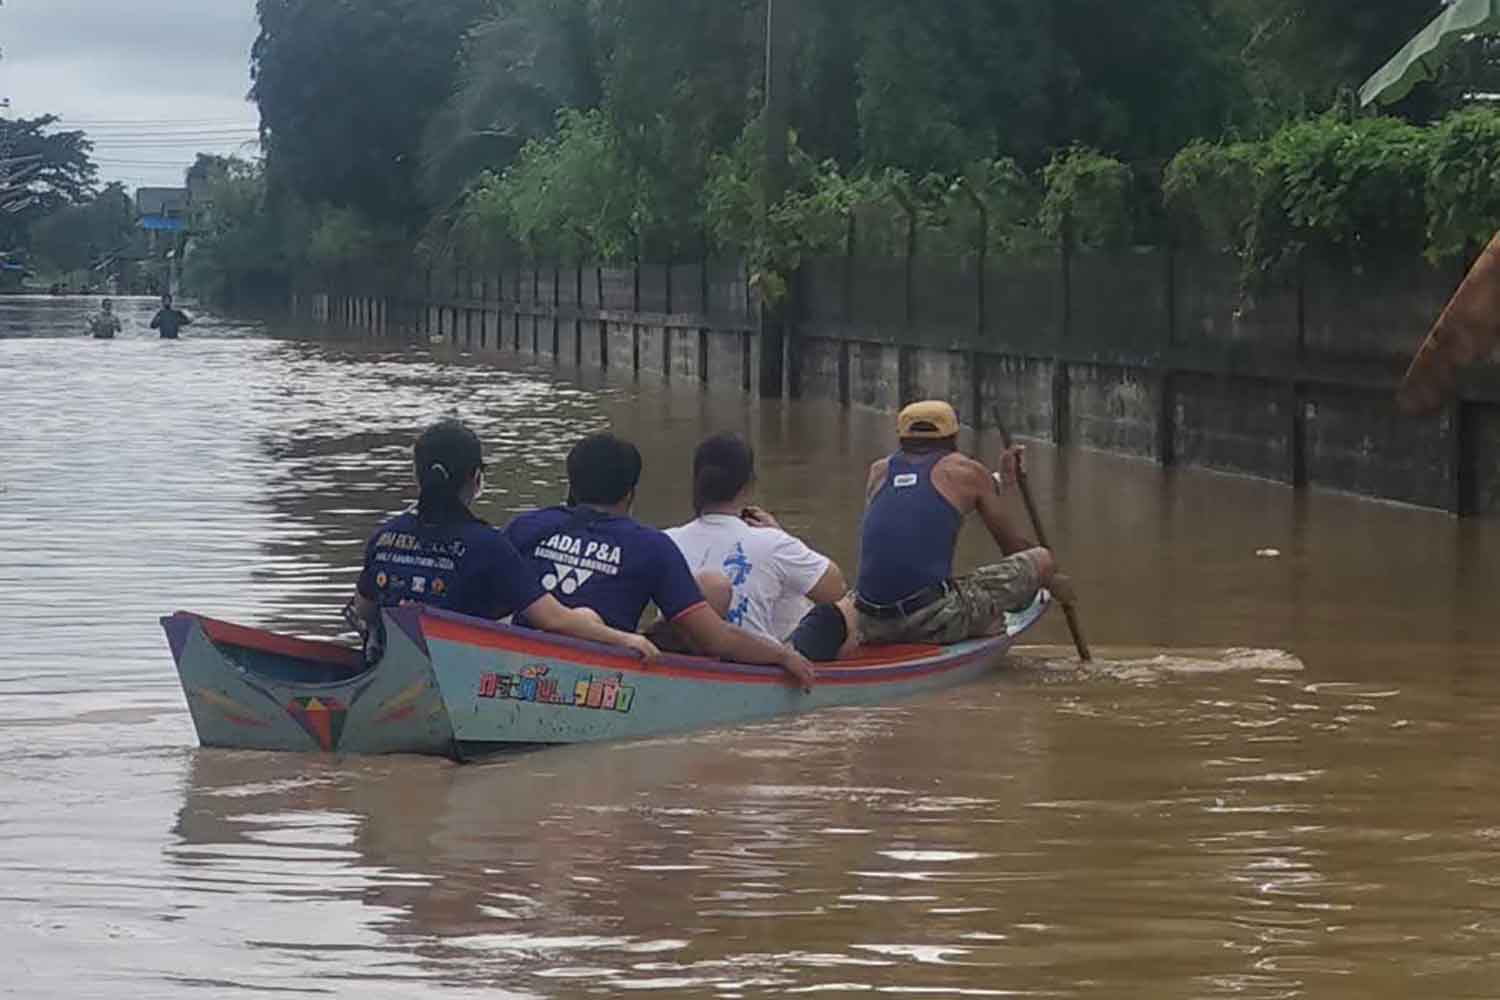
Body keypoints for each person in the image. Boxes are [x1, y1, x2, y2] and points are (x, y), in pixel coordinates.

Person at [505, 433, 818, 690]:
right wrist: (782, 655)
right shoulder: (651, 546)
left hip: (517, 661)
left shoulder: (528, 526)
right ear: (630, 494)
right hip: (599, 680)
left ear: (571, 486)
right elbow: (717, 638)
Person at [346, 419, 659, 662]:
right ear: (476, 478)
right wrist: (627, 640)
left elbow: (363, 610)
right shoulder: (488, 545)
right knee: (584, 618)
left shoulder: (383, 537)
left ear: (416, 476)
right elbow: (553, 620)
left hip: (392, 665)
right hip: (460, 672)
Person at [791, 400, 1074, 660]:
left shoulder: (878, 472)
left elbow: (920, 505)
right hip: (932, 616)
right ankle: (977, 623)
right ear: (953, 437)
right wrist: (1050, 578)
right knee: (1041, 559)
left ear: (901, 437)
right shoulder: (966, 472)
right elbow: (1012, 547)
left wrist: (1003, 479)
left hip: (868, 619)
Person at [663, 432, 845, 644]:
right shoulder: (774, 543)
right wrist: (781, 535)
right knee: (848, 610)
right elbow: (836, 590)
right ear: (748, 486)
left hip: (682, 656)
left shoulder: (665, 541)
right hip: (754, 663)